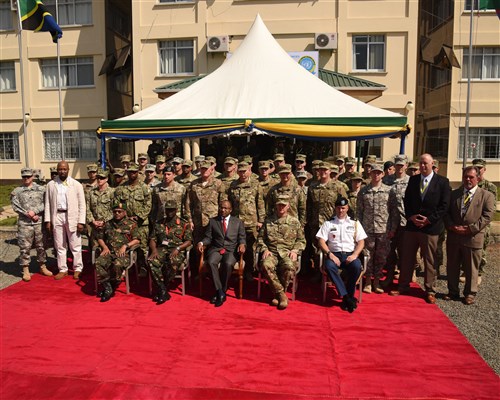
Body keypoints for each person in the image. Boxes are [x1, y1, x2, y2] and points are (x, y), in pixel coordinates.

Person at [390, 153, 451, 304]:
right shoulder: (413, 180)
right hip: (412, 226)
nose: (423, 166)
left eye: (426, 163)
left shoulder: (442, 182)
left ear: (432, 165)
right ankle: (403, 285)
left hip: (430, 228)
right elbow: (407, 200)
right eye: (421, 164)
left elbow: (444, 205)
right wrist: (411, 216)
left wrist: (429, 220)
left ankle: (430, 289)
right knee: (407, 257)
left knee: (429, 260)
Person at [444, 166, 495, 305]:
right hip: (454, 236)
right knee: (452, 266)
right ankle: (452, 291)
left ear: (478, 178)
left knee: (471, 268)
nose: (468, 179)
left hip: (473, 237)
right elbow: (446, 213)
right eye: (465, 176)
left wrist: (470, 229)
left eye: (471, 177)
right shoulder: (454, 194)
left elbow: (487, 216)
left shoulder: (487, 195)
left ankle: (470, 293)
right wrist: (452, 226)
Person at [316, 197, 367, 313]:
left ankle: (347, 296)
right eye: (338, 208)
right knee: (329, 266)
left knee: (356, 266)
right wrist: (330, 254)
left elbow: (361, 242)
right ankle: (347, 297)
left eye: (343, 208)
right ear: (335, 208)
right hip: (334, 255)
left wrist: (355, 255)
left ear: (347, 208)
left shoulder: (355, 223)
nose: (341, 210)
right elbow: (321, 241)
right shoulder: (328, 223)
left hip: (350, 255)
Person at [257, 196, 306, 310]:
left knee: (289, 267)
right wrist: (265, 249)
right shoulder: (268, 221)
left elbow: (301, 240)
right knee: (265, 265)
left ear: (288, 206)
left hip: (287, 253)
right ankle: (281, 294)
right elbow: (260, 239)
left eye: (283, 205)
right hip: (272, 253)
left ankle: (277, 295)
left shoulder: (294, 222)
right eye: (279, 205)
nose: (281, 207)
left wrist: (295, 250)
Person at [197, 200, 246, 307]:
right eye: (221, 208)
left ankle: (221, 290)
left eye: (225, 208)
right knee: (211, 262)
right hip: (216, 249)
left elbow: (242, 238)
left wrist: (242, 244)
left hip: (231, 250)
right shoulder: (213, 221)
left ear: (230, 210)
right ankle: (220, 291)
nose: (222, 210)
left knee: (228, 264)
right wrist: (201, 242)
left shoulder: (238, 222)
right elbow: (208, 238)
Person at [357, 164, 395, 294]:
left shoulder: (389, 191)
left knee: (381, 257)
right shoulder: (363, 191)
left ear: (382, 174)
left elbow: (393, 211)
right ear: (370, 174)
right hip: (367, 229)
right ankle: (367, 281)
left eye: (379, 172)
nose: (376, 175)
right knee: (367, 256)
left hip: (383, 230)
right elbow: (359, 212)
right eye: (374, 172)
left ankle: (377, 281)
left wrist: (392, 229)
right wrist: (358, 229)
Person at [44, 160, 86, 280]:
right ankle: (63, 269)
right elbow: (48, 203)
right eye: (60, 169)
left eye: (64, 169)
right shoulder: (51, 185)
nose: (62, 171)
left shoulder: (76, 184)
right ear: (57, 170)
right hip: (57, 216)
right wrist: (48, 220)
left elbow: (82, 204)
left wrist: (81, 221)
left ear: (68, 170)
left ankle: (78, 268)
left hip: (72, 216)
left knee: (75, 244)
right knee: (59, 244)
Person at [226, 161, 266, 281]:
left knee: (250, 248)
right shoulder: (233, 185)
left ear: (249, 171)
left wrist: (261, 221)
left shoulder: (255, 185)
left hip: (251, 222)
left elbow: (260, 204)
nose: (243, 174)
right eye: (241, 171)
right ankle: (236, 270)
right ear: (237, 171)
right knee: (235, 246)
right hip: (236, 223)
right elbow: (230, 204)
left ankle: (249, 271)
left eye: (245, 171)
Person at [148, 199, 193, 305]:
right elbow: (152, 239)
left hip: (177, 249)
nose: (169, 212)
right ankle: (163, 290)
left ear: (176, 210)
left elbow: (189, 241)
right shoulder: (159, 223)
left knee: (173, 261)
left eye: (172, 210)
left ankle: (162, 288)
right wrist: (154, 250)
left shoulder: (183, 223)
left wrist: (178, 248)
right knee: (151, 261)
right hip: (162, 249)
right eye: (168, 210)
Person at [11, 167, 51, 281]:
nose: (26, 178)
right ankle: (25, 269)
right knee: (25, 247)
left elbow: (46, 203)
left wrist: (36, 211)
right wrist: (28, 214)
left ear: (32, 177)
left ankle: (42, 266)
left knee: (41, 245)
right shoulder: (17, 191)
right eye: (24, 176)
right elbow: (15, 206)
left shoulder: (41, 189)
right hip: (25, 223)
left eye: (28, 176)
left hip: (38, 222)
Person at [95, 201, 140, 302]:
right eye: (115, 211)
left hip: (125, 254)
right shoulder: (108, 224)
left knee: (117, 264)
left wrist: (125, 245)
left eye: (120, 211)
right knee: (98, 262)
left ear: (124, 212)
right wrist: (105, 247)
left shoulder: (131, 224)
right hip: (110, 252)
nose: (117, 213)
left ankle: (113, 283)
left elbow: (137, 239)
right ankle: (108, 287)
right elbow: (99, 238)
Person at [114, 162, 152, 276]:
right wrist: (125, 217)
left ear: (138, 172)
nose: (132, 174)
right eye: (130, 172)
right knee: (126, 245)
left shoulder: (144, 187)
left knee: (143, 248)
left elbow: (148, 205)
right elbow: (118, 205)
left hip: (141, 224)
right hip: (126, 224)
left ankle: (144, 270)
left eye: (134, 172)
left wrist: (138, 216)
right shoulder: (121, 188)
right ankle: (127, 270)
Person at [86, 168, 115, 248]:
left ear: (107, 179)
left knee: (109, 248)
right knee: (95, 250)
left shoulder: (112, 192)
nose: (99, 180)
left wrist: (104, 221)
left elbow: (114, 210)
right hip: (95, 226)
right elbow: (87, 208)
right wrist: (92, 221)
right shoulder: (91, 192)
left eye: (102, 178)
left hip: (108, 226)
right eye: (98, 177)